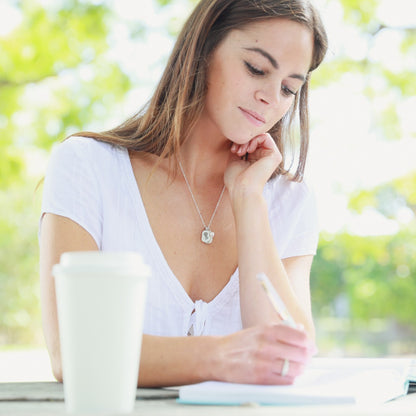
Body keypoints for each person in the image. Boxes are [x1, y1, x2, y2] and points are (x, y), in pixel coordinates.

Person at [39, 0, 328, 387]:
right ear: (203, 50)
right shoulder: (87, 167)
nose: (271, 98)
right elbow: (74, 353)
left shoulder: (289, 201)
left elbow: (285, 360)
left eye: (290, 88)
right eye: (256, 68)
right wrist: (222, 356)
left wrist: (248, 200)